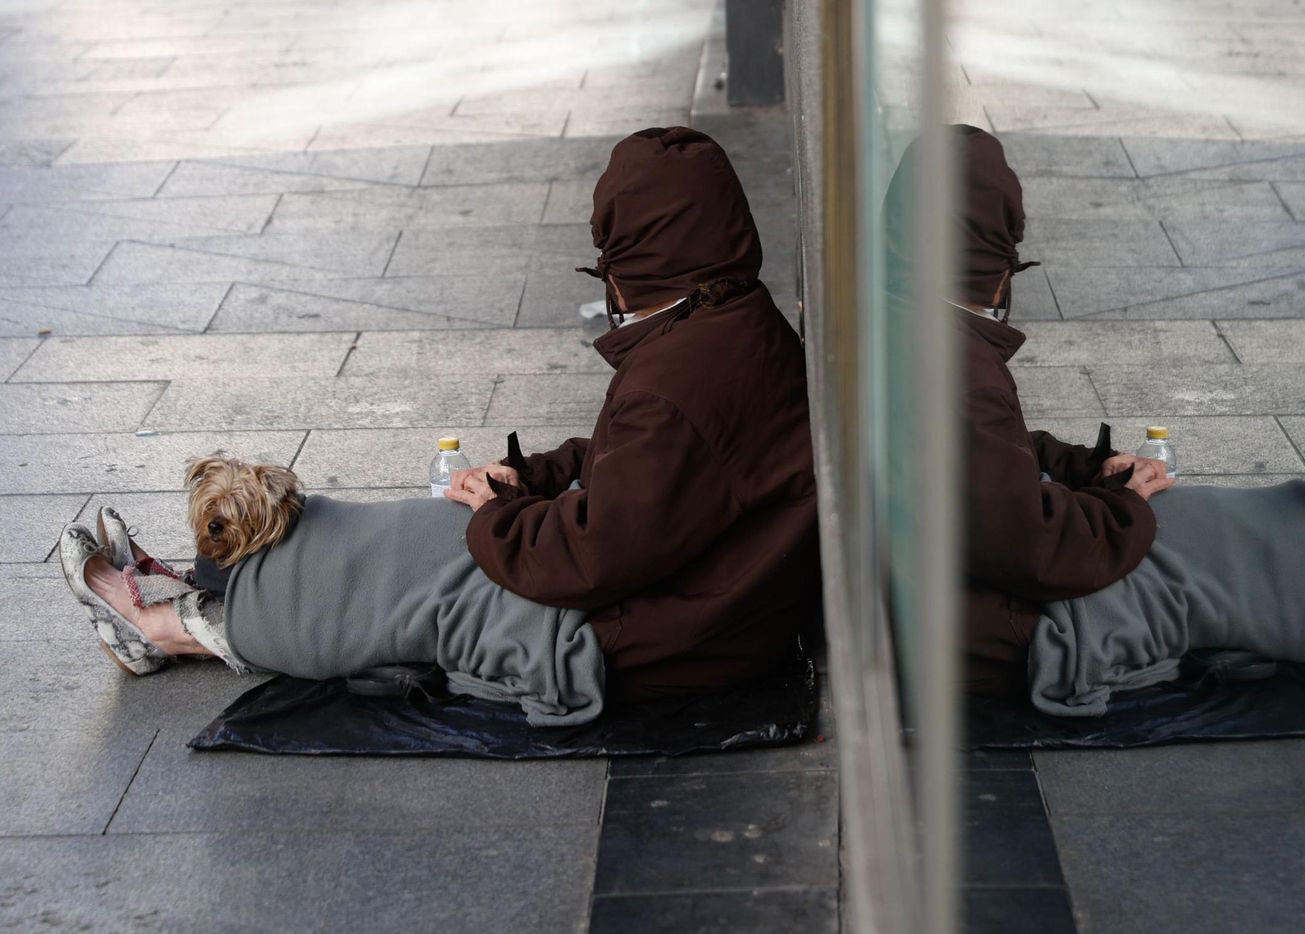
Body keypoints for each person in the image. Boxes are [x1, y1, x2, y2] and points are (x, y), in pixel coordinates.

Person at [59, 126, 820, 719]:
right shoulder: (732, 328)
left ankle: (161, 626)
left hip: (648, 636)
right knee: (398, 540)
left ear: (641, 258)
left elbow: (592, 557)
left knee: (403, 585)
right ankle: (214, 586)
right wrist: (533, 477)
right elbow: (655, 470)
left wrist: (497, 513)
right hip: (684, 603)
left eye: (609, 258)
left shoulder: (682, 376)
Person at [886, 126, 1305, 714]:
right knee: (1209, 572)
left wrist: (1086, 469)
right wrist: (1119, 504)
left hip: (965, 589)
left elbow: (977, 457)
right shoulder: (950, 359)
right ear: (992, 258)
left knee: (1207, 525)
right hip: (998, 625)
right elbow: (1031, 546)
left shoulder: (908, 321)